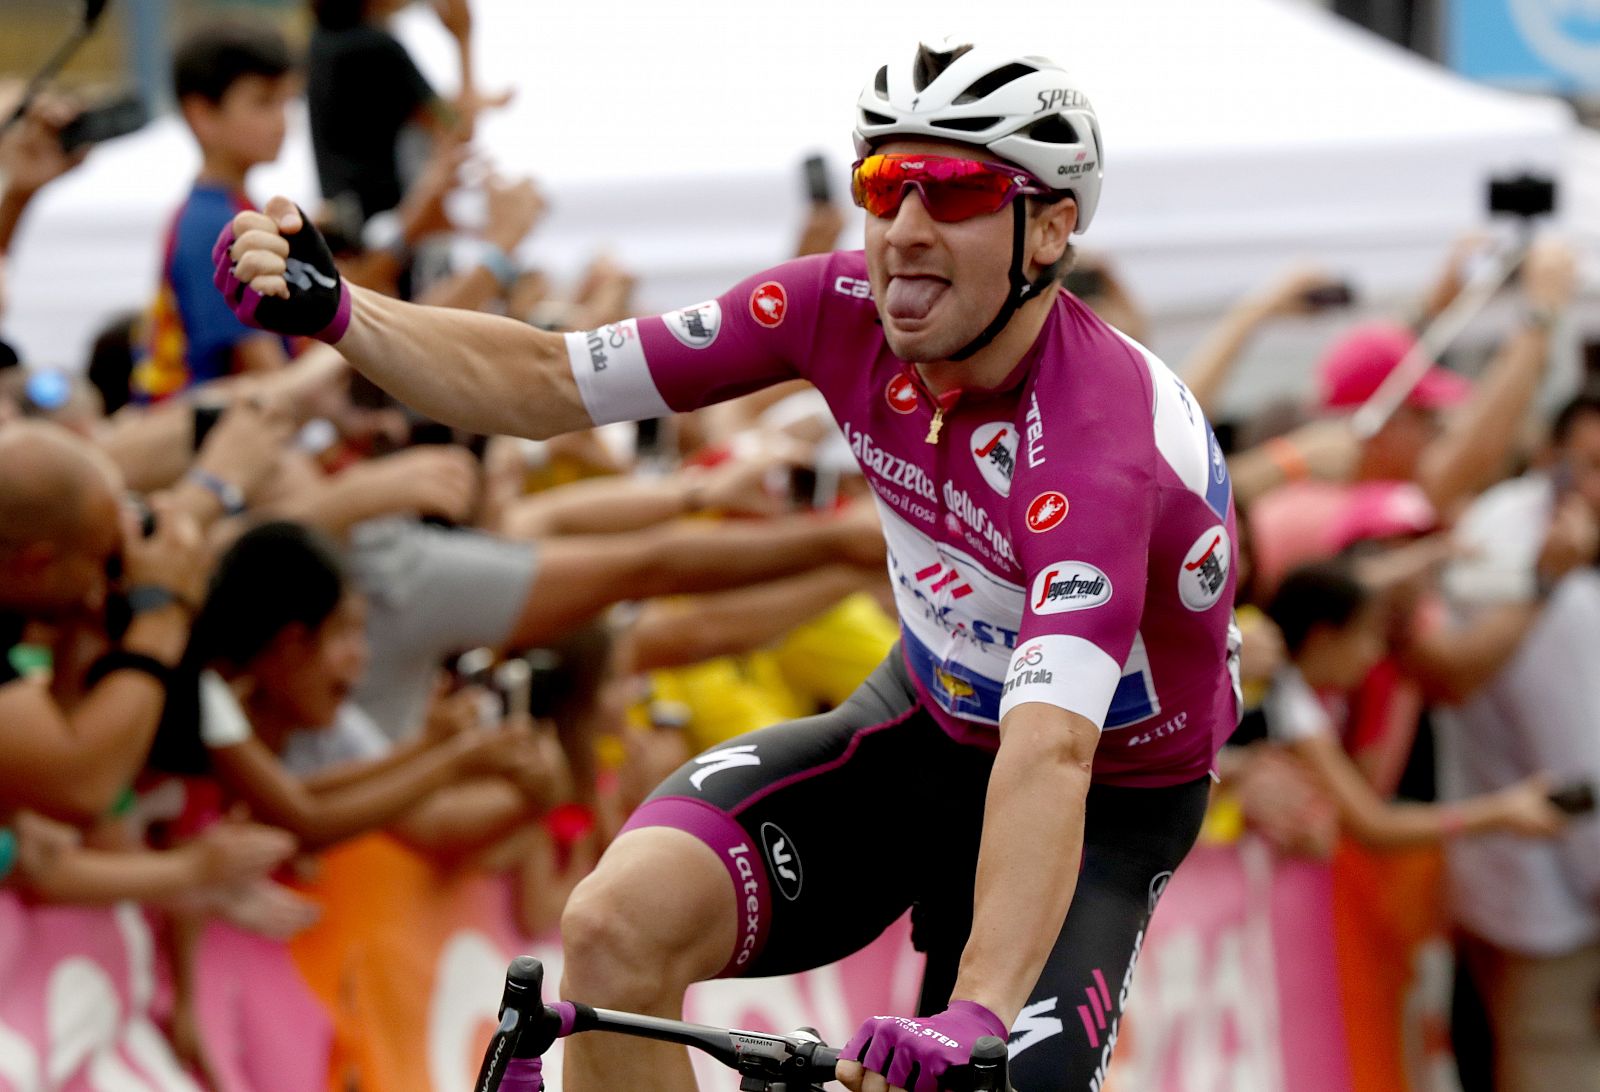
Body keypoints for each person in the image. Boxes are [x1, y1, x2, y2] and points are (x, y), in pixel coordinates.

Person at [215, 40, 1242, 1092]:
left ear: (1053, 228)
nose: (905, 231)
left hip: (1103, 783)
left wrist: (975, 1012)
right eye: (884, 187)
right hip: (929, 723)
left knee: (982, 1077)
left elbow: (1052, 755)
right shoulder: (832, 309)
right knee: (617, 925)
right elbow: (546, 378)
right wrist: (343, 312)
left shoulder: (1098, 446)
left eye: (958, 191)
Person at [1432, 388, 1600, 1092]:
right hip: (1553, 902)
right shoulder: (1528, 551)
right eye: (1591, 463)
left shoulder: (1524, 529)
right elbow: (1576, 761)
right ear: (1550, 459)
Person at [132, 20, 298, 402]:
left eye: (286, 102)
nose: (281, 120)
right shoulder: (215, 225)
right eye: (263, 102)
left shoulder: (238, 208)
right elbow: (263, 370)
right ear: (202, 115)